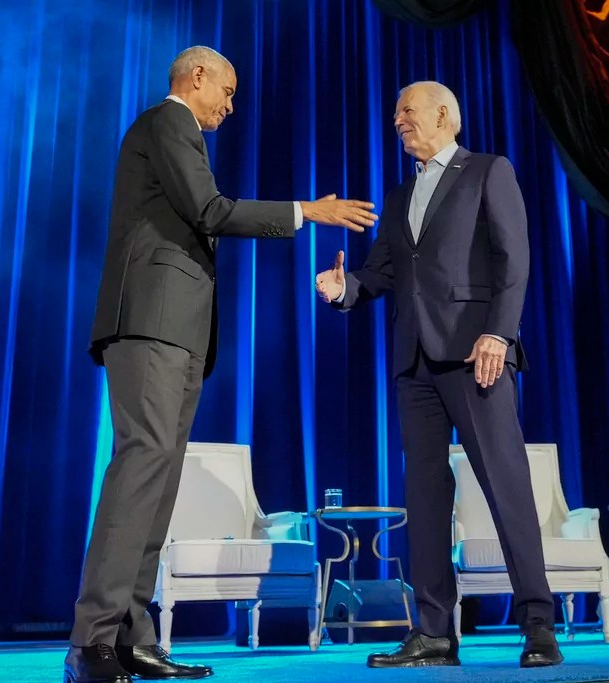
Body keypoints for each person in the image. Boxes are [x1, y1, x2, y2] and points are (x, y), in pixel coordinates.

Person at [67, 46, 378, 683]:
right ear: (197, 76)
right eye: (228, 92)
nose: (231, 106)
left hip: (179, 334)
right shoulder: (167, 122)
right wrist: (305, 212)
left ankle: (133, 638)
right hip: (149, 326)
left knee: (158, 483)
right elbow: (210, 211)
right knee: (139, 473)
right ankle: (90, 643)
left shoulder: (184, 133)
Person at [314, 81, 562, 669]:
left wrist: (499, 332)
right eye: (396, 113)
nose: (398, 120)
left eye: (407, 110)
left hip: (478, 354)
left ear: (445, 115)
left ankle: (538, 625)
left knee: (505, 488)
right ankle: (434, 633)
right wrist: (343, 289)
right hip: (415, 363)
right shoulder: (400, 196)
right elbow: (379, 275)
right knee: (423, 497)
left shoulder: (487, 171)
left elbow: (514, 259)